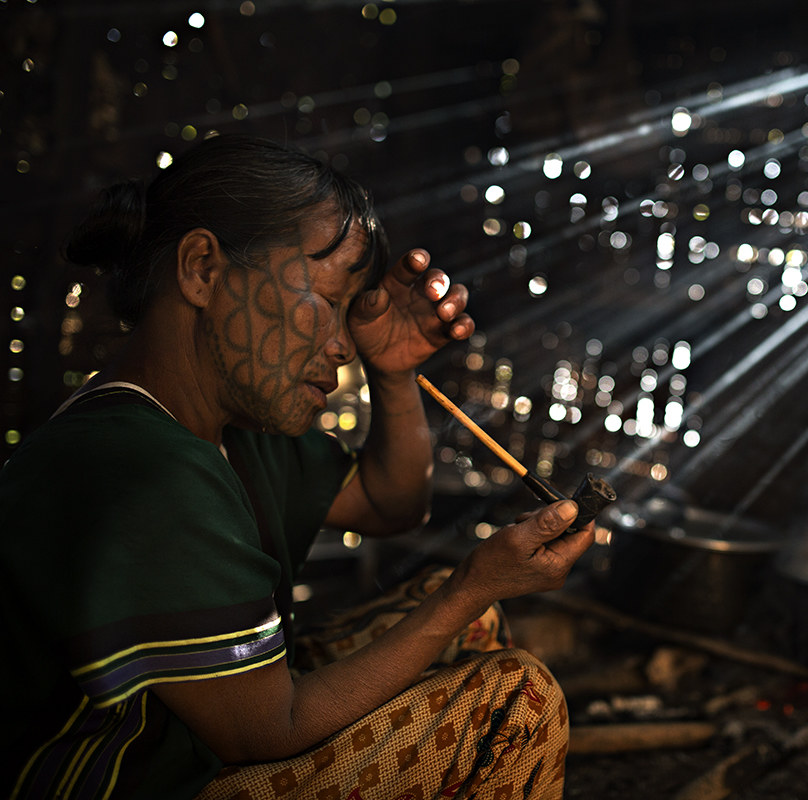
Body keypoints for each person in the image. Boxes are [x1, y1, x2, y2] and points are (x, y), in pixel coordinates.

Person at [0, 134, 595, 800]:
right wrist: (474, 586)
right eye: (329, 300)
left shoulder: (226, 424)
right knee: (517, 698)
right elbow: (267, 729)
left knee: (467, 623)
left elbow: (389, 502)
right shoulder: (140, 470)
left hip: (193, 749)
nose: (342, 345)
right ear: (201, 270)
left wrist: (392, 372)